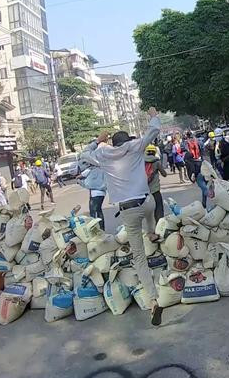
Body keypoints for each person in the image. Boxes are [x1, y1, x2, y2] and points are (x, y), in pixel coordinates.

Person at [80, 109, 164, 326]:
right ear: (127, 140)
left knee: (139, 257)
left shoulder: (103, 156)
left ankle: (153, 300)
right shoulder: (135, 147)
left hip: (129, 210)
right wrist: (153, 115)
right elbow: (154, 130)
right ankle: (152, 232)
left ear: (112, 144)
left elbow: (84, 155)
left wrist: (98, 140)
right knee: (150, 211)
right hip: (147, 201)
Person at [78, 156, 107, 230]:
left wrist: (79, 180)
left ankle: (95, 229)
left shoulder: (89, 170)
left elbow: (79, 177)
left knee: (93, 212)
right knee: (99, 210)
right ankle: (102, 228)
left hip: (94, 194)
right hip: (102, 193)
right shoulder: (102, 169)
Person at [144, 144, 168, 223]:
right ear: (155, 152)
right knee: (159, 207)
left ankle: (150, 226)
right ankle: (159, 224)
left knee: (147, 210)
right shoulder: (157, 162)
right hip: (155, 190)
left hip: (144, 191)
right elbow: (164, 174)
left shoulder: (141, 162)